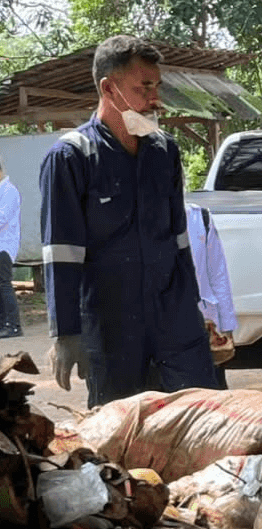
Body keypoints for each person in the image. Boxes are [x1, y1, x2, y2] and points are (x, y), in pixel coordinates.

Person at [40, 35, 218, 408]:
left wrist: (197, 310)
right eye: (144, 87)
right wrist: (67, 334)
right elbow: (62, 253)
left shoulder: (163, 151)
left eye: (157, 86)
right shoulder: (72, 157)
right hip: (112, 330)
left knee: (203, 417)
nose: (156, 99)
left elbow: (180, 240)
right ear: (109, 88)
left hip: (175, 325)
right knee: (123, 447)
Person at [186, 202, 237, 388]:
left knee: (212, 392)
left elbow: (218, 274)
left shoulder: (200, 217)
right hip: (167, 327)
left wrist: (227, 326)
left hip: (206, 324)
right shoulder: (143, 217)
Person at [0, 157, 23, 339]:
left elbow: (2, 218)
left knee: (4, 285)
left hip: (4, 246)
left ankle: (13, 326)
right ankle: (3, 324)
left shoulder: (9, 191)